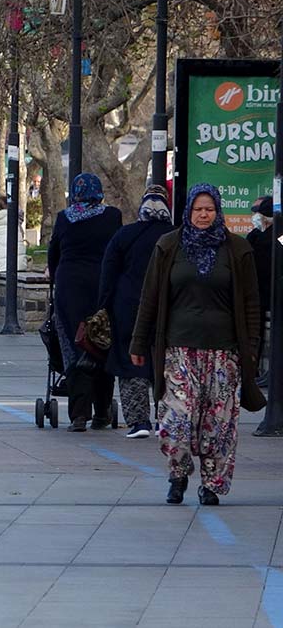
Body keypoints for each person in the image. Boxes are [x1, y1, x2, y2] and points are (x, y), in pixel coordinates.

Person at [130, 183, 261, 506]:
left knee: (218, 424)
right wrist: (137, 342)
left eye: (210, 209)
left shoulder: (238, 250)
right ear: (188, 212)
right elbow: (150, 297)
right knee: (177, 419)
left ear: (218, 212)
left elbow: (251, 304)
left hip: (224, 351)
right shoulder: (168, 246)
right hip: (178, 350)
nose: (203, 215)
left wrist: (253, 348)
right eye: (198, 209)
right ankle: (178, 473)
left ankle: (212, 484)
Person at [48, 173, 123, 432]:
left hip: (70, 288)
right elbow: (117, 251)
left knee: (75, 345)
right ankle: (102, 412)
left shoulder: (64, 218)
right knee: (101, 344)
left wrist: (55, 279)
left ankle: (79, 414)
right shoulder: (112, 216)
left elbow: (53, 254)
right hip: (102, 287)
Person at [97, 186, 174, 438]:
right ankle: (168, 418)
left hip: (128, 306)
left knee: (130, 359)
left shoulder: (124, 235)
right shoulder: (176, 236)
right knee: (166, 363)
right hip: (168, 307)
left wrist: (104, 306)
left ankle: (139, 421)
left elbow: (108, 273)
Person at [245, 197, 280, 386]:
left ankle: (253, 370)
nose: (255, 217)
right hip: (271, 293)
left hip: (259, 294)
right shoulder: (279, 236)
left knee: (256, 333)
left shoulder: (255, 237)